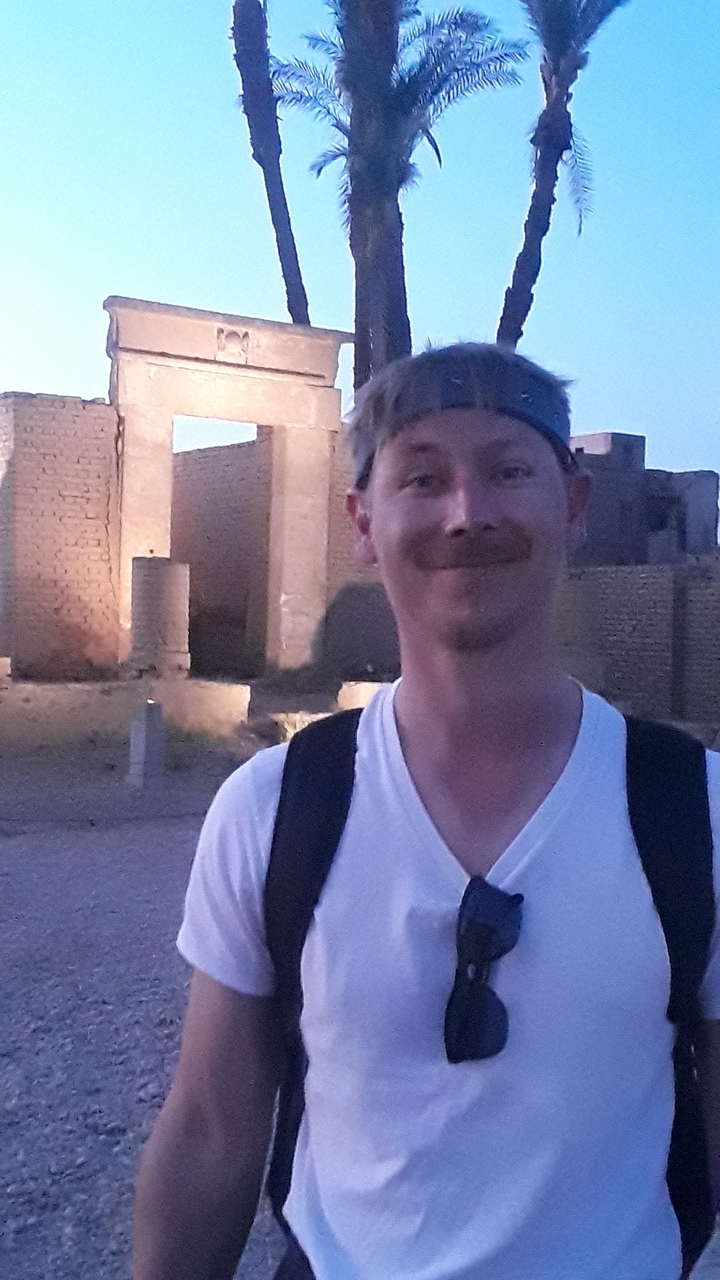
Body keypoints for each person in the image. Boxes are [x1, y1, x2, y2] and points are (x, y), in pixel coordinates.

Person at [133, 343, 720, 1280]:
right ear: (363, 522)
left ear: (571, 508)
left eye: (508, 470)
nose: (468, 513)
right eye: (424, 477)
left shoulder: (694, 812)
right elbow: (209, 1134)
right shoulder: (275, 811)